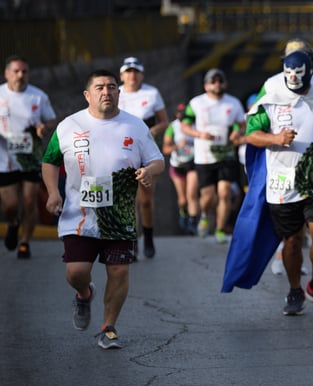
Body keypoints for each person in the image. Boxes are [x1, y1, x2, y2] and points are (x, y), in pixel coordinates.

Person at [41, 69, 164, 349]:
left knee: (119, 272)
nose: (106, 92)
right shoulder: (69, 125)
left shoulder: (135, 126)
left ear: (119, 93)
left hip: (119, 215)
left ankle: (108, 327)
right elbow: (49, 161)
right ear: (88, 94)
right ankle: (84, 294)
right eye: (99, 87)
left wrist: (148, 171)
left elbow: (159, 161)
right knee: (76, 272)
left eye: (111, 87)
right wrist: (52, 192)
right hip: (79, 215)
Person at [241, 50, 313, 315]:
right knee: (292, 240)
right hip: (283, 181)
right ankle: (294, 289)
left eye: (299, 75)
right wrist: (275, 139)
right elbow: (252, 135)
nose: (293, 80)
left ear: (309, 72)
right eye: (289, 75)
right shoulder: (271, 100)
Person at [180, 68, 246, 244]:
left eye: (220, 81)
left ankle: (220, 229)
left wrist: (237, 132)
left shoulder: (233, 103)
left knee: (224, 193)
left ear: (225, 83)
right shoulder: (196, 103)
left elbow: (243, 124)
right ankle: (204, 216)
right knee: (208, 196)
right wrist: (199, 134)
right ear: (206, 85)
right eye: (213, 81)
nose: (217, 84)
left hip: (226, 154)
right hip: (205, 156)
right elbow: (184, 125)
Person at [1, 55, 57, 259]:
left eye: (24, 71)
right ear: (7, 73)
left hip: (31, 157)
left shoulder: (38, 96)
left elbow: (51, 120)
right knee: (10, 205)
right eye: (15, 71)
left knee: (29, 201)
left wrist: (44, 127)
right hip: (4, 158)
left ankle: (25, 242)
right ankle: (13, 223)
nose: (20, 75)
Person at [118, 57, 169, 258]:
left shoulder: (152, 93)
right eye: (128, 72)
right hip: (123, 150)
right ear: (122, 75)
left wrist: (154, 130)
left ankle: (148, 236)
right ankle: (133, 240)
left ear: (142, 74)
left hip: (147, 149)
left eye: (136, 71)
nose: (132, 75)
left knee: (145, 199)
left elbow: (165, 121)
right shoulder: (116, 93)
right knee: (129, 199)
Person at [162, 103, 199, 234]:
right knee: (183, 199)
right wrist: (177, 147)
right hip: (178, 165)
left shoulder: (196, 124)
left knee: (192, 195)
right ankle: (183, 213)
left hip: (193, 164)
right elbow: (165, 149)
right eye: (180, 113)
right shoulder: (173, 127)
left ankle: (193, 224)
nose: (182, 115)